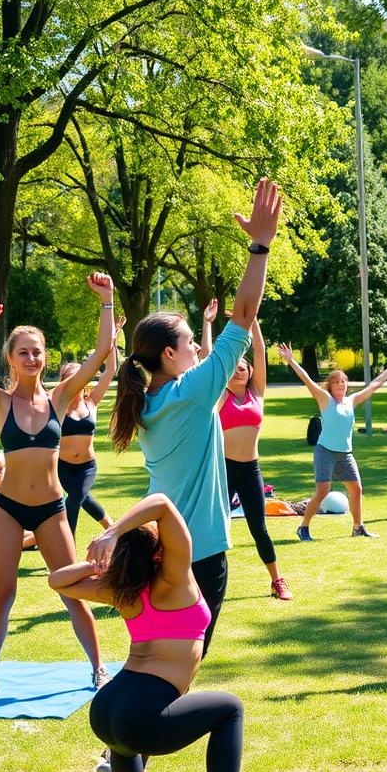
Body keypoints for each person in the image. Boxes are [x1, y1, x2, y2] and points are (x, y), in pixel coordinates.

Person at [48, 493, 282, 772]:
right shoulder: (177, 580)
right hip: (142, 708)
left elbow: (57, 581)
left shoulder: (122, 591)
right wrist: (114, 533)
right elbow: (163, 503)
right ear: (159, 554)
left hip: (107, 708)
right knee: (230, 710)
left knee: (124, 746)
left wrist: (103, 562)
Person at [109, 178, 281, 651]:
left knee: (161, 649)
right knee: (185, 656)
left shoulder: (143, 403)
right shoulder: (191, 392)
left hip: (159, 545)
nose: (195, 350)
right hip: (199, 549)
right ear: (169, 354)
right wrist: (260, 246)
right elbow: (244, 314)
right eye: (189, 342)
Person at [0, 274, 116, 703]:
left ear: (45, 358)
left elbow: (102, 353)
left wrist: (107, 300)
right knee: (3, 593)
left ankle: (99, 669)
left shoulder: (60, 398)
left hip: (51, 511)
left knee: (72, 591)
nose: (31, 358)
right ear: (10, 359)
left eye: (37, 352)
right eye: (23, 352)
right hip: (9, 510)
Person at [199, 304, 291, 601]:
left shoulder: (257, 392)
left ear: (250, 370)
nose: (239, 366)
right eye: (234, 363)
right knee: (213, 529)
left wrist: (252, 322)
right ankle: (200, 584)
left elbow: (261, 351)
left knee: (259, 528)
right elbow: (208, 357)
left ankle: (277, 581)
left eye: (244, 363)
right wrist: (208, 324)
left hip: (250, 469)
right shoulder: (220, 393)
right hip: (222, 468)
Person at [278, 344, 387, 541]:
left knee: (357, 488)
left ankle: (358, 527)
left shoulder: (352, 401)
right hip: (325, 451)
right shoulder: (325, 399)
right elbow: (307, 379)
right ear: (331, 385)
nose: (341, 385)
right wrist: (290, 360)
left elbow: (375, 384)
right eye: (337, 382)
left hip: (345, 454)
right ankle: (303, 527)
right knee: (323, 490)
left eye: (344, 382)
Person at [58, 314, 126, 538]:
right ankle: (113, 530)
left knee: (77, 497)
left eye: (81, 374)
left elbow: (109, 371)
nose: (77, 379)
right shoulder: (57, 403)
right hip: (62, 466)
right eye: (71, 375)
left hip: (88, 465)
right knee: (79, 498)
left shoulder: (92, 401)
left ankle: (108, 531)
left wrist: (112, 340)